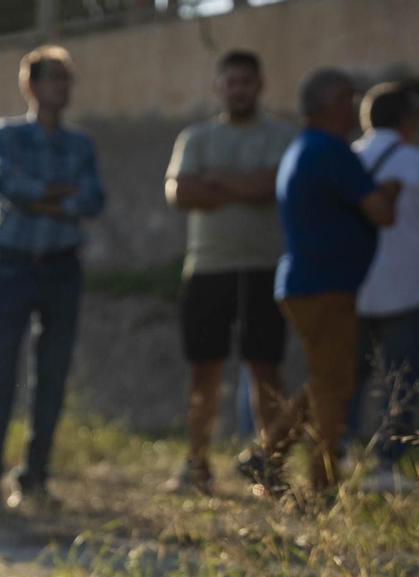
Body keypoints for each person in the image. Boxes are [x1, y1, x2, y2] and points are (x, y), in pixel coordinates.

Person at [0, 45, 106, 511]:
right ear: (29, 85)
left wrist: (42, 196)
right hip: (14, 264)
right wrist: (60, 194)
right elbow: (11, 187)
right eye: (53, 77)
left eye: (66, 78)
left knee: (52, 375)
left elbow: (93, 201)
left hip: (62, 266)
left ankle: (34, 477)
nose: (61, 87)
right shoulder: (5, 134)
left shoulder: (81, 143)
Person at [246, 68, 399, 497]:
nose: (354, 108)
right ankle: (322, 486)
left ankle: (266, 454)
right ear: (333, 102)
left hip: (309, 284)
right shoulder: (331, 150)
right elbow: (380, 212)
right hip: (324, 287)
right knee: (334, 387)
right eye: (349, 99)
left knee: (326, 380)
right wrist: (390, 191)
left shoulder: (305, 147)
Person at [162, 49, 297, 495]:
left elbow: (273, 186)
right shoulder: (197, 137)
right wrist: (245, 185)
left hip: (263, 268)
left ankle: (270, 466)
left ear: (259, 85)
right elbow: (180, 191)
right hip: (208, 268)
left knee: (265, 368)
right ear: (219, 87)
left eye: (246, 81)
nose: (239, 89)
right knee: (205, 370)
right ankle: (196, 465)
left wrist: (218, 183)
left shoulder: (281, 135)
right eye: (231, 82)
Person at [346, 81, 419, 494]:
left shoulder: (346, 159)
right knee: (402, 381)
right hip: (408, 291)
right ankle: (386, 465)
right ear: (408, 121)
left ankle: (339, 452)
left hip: (352, 290)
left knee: (349, 378)